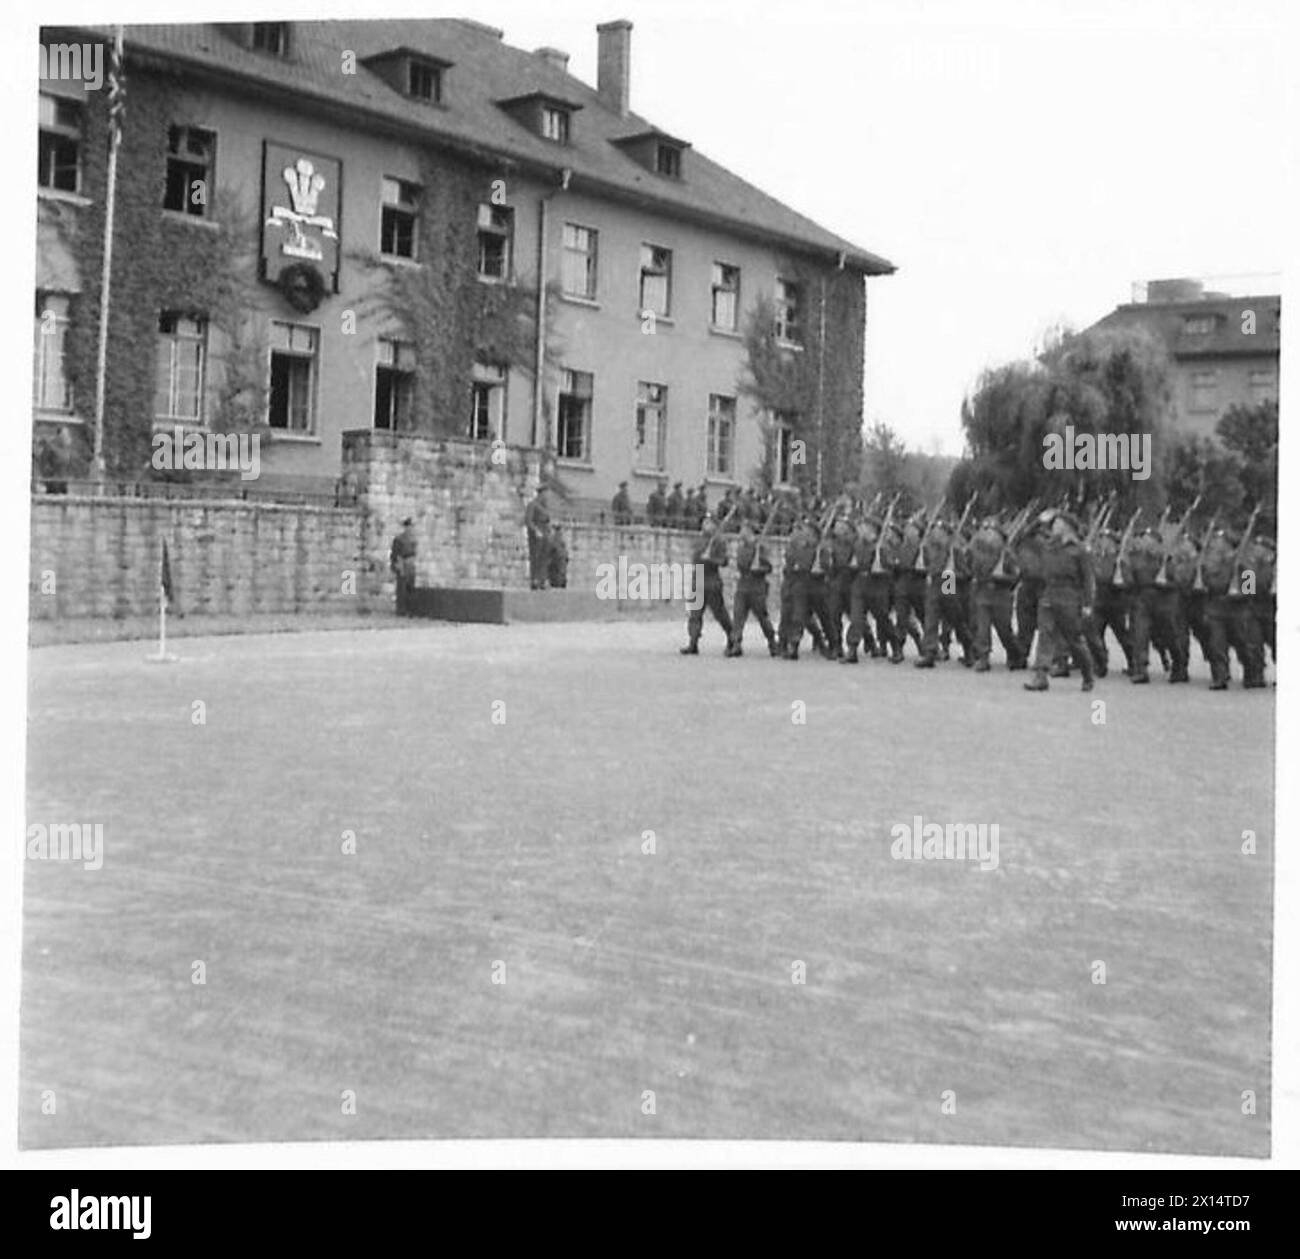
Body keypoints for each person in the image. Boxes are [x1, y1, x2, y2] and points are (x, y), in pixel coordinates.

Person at [1023, 510, 1096, 692]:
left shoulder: (1079, 550)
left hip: (1069, 596)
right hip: (1049, 594)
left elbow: (1088, 579)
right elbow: (1026, 536)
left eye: (1057, 523)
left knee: (1074, 640)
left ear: (1067, 527)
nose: (1053, 526)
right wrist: (1039, 520)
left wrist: (1088, 604)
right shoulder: (1048, 545)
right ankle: (1040, 676)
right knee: (1045, 635)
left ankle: (1088, 674)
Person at [681, 515, 733, 654]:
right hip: (698, 577)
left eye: (709, 523)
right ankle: (693, 642)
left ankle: (732, 637)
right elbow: (694, 557)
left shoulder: (719, 541)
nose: (705, 524)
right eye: (704, 522)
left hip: (711, 580)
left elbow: (724, 561)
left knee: (719, 613)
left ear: (715, 526)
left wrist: (711, 559)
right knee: (695, 613)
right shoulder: (700, 540)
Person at [729, 519, 779, 657]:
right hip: (743, 585)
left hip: (757, 587)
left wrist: (758, 569)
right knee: (738, 616)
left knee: (762, 617)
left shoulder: (760, 548)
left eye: (744, 530)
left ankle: (772, 642)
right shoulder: (741, 548)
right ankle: (736, 643)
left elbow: (768, 568)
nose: (741, 532)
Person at [390, 517, 418, 616]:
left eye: (411, 527)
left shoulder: (413, 539)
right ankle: (401, 610)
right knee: (401, 588)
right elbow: (395, 554)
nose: (410, 529)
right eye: (408, 527)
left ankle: (410, 609)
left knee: (410, 587)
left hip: (410, 564)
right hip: (402, 563)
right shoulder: (399, 539)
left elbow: (414, 553)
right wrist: (398, 565)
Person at [524, 487, 551, 589]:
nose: (547, 497)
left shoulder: (545, 508)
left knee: (544, 558)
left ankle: (542, 579)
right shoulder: (532, 505)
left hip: (545, 534)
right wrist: (536, 530)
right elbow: (528, 520)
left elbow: (547, 521)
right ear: (540, 494)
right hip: (536, 535)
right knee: (535, 557)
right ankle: (534, 579)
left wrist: (549, 531)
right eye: (545, 494)